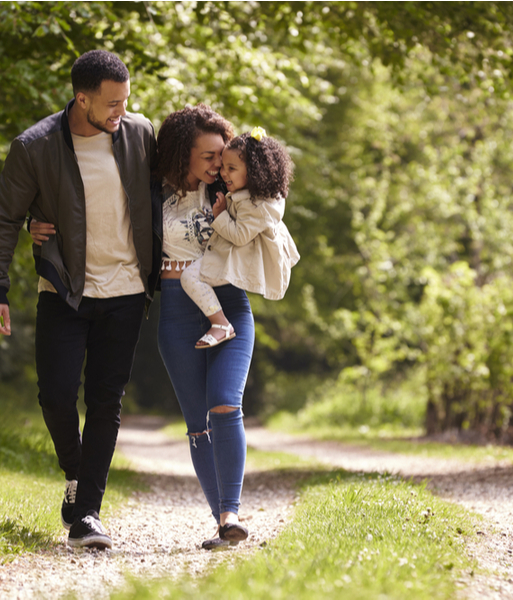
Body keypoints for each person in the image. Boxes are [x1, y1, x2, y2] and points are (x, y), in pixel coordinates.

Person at [0, 50, 157, 550]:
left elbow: (167, 193)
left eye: (125, 102)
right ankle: (77, 471)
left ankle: (87, 512)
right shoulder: (35, 146)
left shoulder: (138, 133)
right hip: (65, 288)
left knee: (106, 400)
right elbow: (5, 218)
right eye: (111, 104)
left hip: (128, 290)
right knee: (55, 393)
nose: (121, 112)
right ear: (81, 98)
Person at [151, 104, 256, 549]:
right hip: (177, 308)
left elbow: (271, 202)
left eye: (222, 155)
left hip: (228, 301)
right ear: (182, 155)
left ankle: (232, 511)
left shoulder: (235, 188)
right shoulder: (151, 194)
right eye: (209, 156)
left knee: (224, 403)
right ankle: (222, 522)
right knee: (198, 424)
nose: (219, 164)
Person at [179, 126, 300, 349]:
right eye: (223, 167)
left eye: (231, 168)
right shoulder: (252, 196)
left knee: (189, 277)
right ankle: (219, 323)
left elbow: (239, 235)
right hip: (233, 256)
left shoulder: (258, 206)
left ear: (253, 172)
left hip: (243, 259)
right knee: (193, 275)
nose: (223, 173)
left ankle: (221, 324)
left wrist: (220, 216)